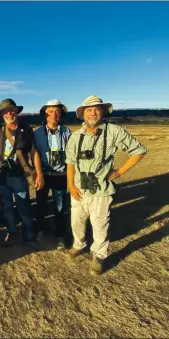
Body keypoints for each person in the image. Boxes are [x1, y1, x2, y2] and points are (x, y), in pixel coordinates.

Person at [65, 95, 147, 275]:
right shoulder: (75, 136)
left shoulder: (114, 132)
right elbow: (70, 163)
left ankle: (99, 256)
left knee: (100, 224)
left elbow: (138, 151)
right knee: (76, 222)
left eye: (97, 109)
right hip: (78, 188)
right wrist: (71, 185)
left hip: (101, 189)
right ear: (83, 114)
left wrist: (119, 172)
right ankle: (78, 244)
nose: (93, 112)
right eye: (89, 110)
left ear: (102, 112)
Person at [0, 98, 45, 246]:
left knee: (24, 205)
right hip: (2, 176)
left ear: (17, 111)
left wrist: (38, 173)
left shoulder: (26, 129)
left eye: (12, 110)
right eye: (6, 111)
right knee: (7, 206)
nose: (10, 113)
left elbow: (33, 151)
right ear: (2, 114)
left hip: (19, 176)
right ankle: (11, 231)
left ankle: (29, 233)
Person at [34, 100, 72, 250]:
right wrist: (37, 174)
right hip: (43, 174)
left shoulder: (67, 132)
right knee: (41, 205)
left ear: (61, 114)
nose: (54, 114)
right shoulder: (37, 133)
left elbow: (71, 154)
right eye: (51, 111)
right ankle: (40, 231)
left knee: (60, 206)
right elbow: (34, 153)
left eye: (57, 111)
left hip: (61, 175)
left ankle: (60, 235)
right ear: (46, 114)